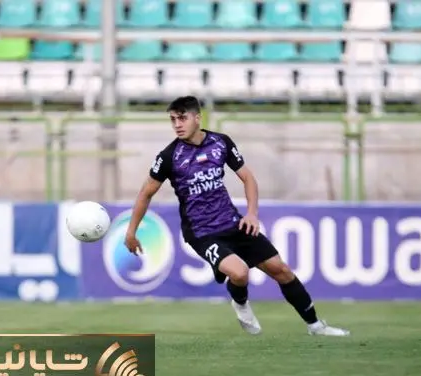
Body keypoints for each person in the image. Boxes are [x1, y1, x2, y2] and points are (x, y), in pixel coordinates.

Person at [124, 96, 350, 337]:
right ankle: (241, 303)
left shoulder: (220, 143)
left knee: (281, 269)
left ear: (197, 118)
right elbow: (146, 193)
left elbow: (248, 178)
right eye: (173, 120)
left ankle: (315, 326)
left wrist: (251, 214)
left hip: (233, 223)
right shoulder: (169, 156)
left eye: (182, 118)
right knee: (240, 272)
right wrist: (131, 232)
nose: (177, 124)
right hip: (202, 232)